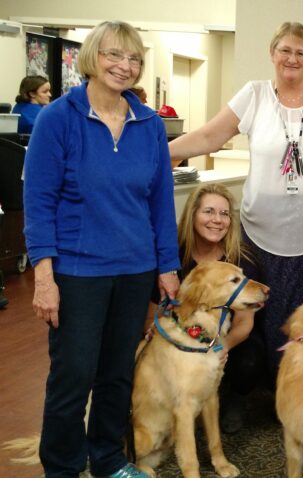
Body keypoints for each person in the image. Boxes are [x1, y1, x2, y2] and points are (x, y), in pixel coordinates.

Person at [24, 21, 179, 478]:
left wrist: (167, 266)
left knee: (117, 373)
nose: (124, 66)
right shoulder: (58, 118)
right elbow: (39, 203)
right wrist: (44, 278)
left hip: (135, 269)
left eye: (134, 59)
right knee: (73, 375)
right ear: (92, 57)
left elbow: (161, 201)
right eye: (114, 55)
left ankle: (108, 459)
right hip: (77, 272)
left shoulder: (149, 124)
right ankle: (62, 468)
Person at [169, 22, 303, 381]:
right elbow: (208, 136)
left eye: (300, 52)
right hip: (262, 239)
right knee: (267, 324)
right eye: (285, 50)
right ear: (272, 54)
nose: (292, 58)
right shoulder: (254, 95)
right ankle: (270, 393)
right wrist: (158, 153)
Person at [148, 182, 265, 433]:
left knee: (251, 361)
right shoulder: (172, 258)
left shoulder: (241, 260)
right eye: (209, 211)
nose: (218, 220)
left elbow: (244, 323)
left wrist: (221, 348)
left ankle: (234, 397)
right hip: (180, 340)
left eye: (224, 214)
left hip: (225, 339)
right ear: (193, 215)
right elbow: (152, 314)